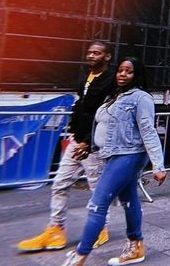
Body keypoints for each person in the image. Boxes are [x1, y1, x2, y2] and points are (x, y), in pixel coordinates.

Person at [45, 58, 167, 266]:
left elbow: (149, 131)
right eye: (120, 70)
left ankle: (78, 259)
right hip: (111, 154)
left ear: (137, 75)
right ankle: (135, 245)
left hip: (128, 155)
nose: (122, 74)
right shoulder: (114, 96)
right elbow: (102, 126)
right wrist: (89, 145)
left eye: (128, 72)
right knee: (129, 200)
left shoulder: (141, 98)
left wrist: (158, 165)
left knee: (97, 203)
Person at [17, 41, 116, 253]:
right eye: (89, 52)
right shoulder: (87, 77)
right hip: (76, 140)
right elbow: (81, 108)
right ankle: (55, 230)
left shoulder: (111, 81)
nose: (91, 56)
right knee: (59, 184)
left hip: (93, 146)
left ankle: (100, 228)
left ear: (107, 57)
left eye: (96, 53)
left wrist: (88, 142)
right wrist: (74, 134)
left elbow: (106, 116)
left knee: (97, 190)